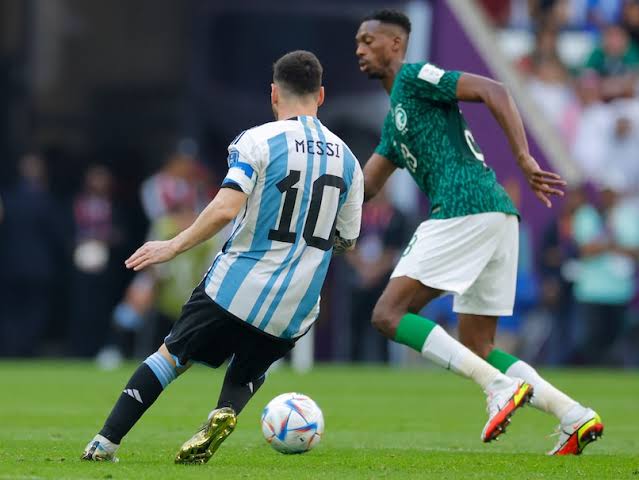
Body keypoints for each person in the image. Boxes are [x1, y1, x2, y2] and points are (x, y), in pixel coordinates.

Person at [81, 50, 364, 464]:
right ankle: (224, 411)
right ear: (321, 95)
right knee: (251, 366)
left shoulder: (257, 140)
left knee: (171, 356)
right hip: (297, 304)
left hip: (238, 284)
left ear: (273, 93)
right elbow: (347, 240)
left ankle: (104, 444)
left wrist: (172, 245)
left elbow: (226, 208)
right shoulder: (350, 162)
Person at [355, 9, 602, 455]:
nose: (359, 49)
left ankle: (497, 387)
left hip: (464, 206)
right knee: (478, 343)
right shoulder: (396, 120)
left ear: (395, 44)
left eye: (368, 41)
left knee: (387, 314)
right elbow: (367, 185)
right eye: (357, 42)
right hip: (496, 216)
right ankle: (573, 414)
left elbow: (494, 89)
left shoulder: (414, 77)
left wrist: (524, 157)